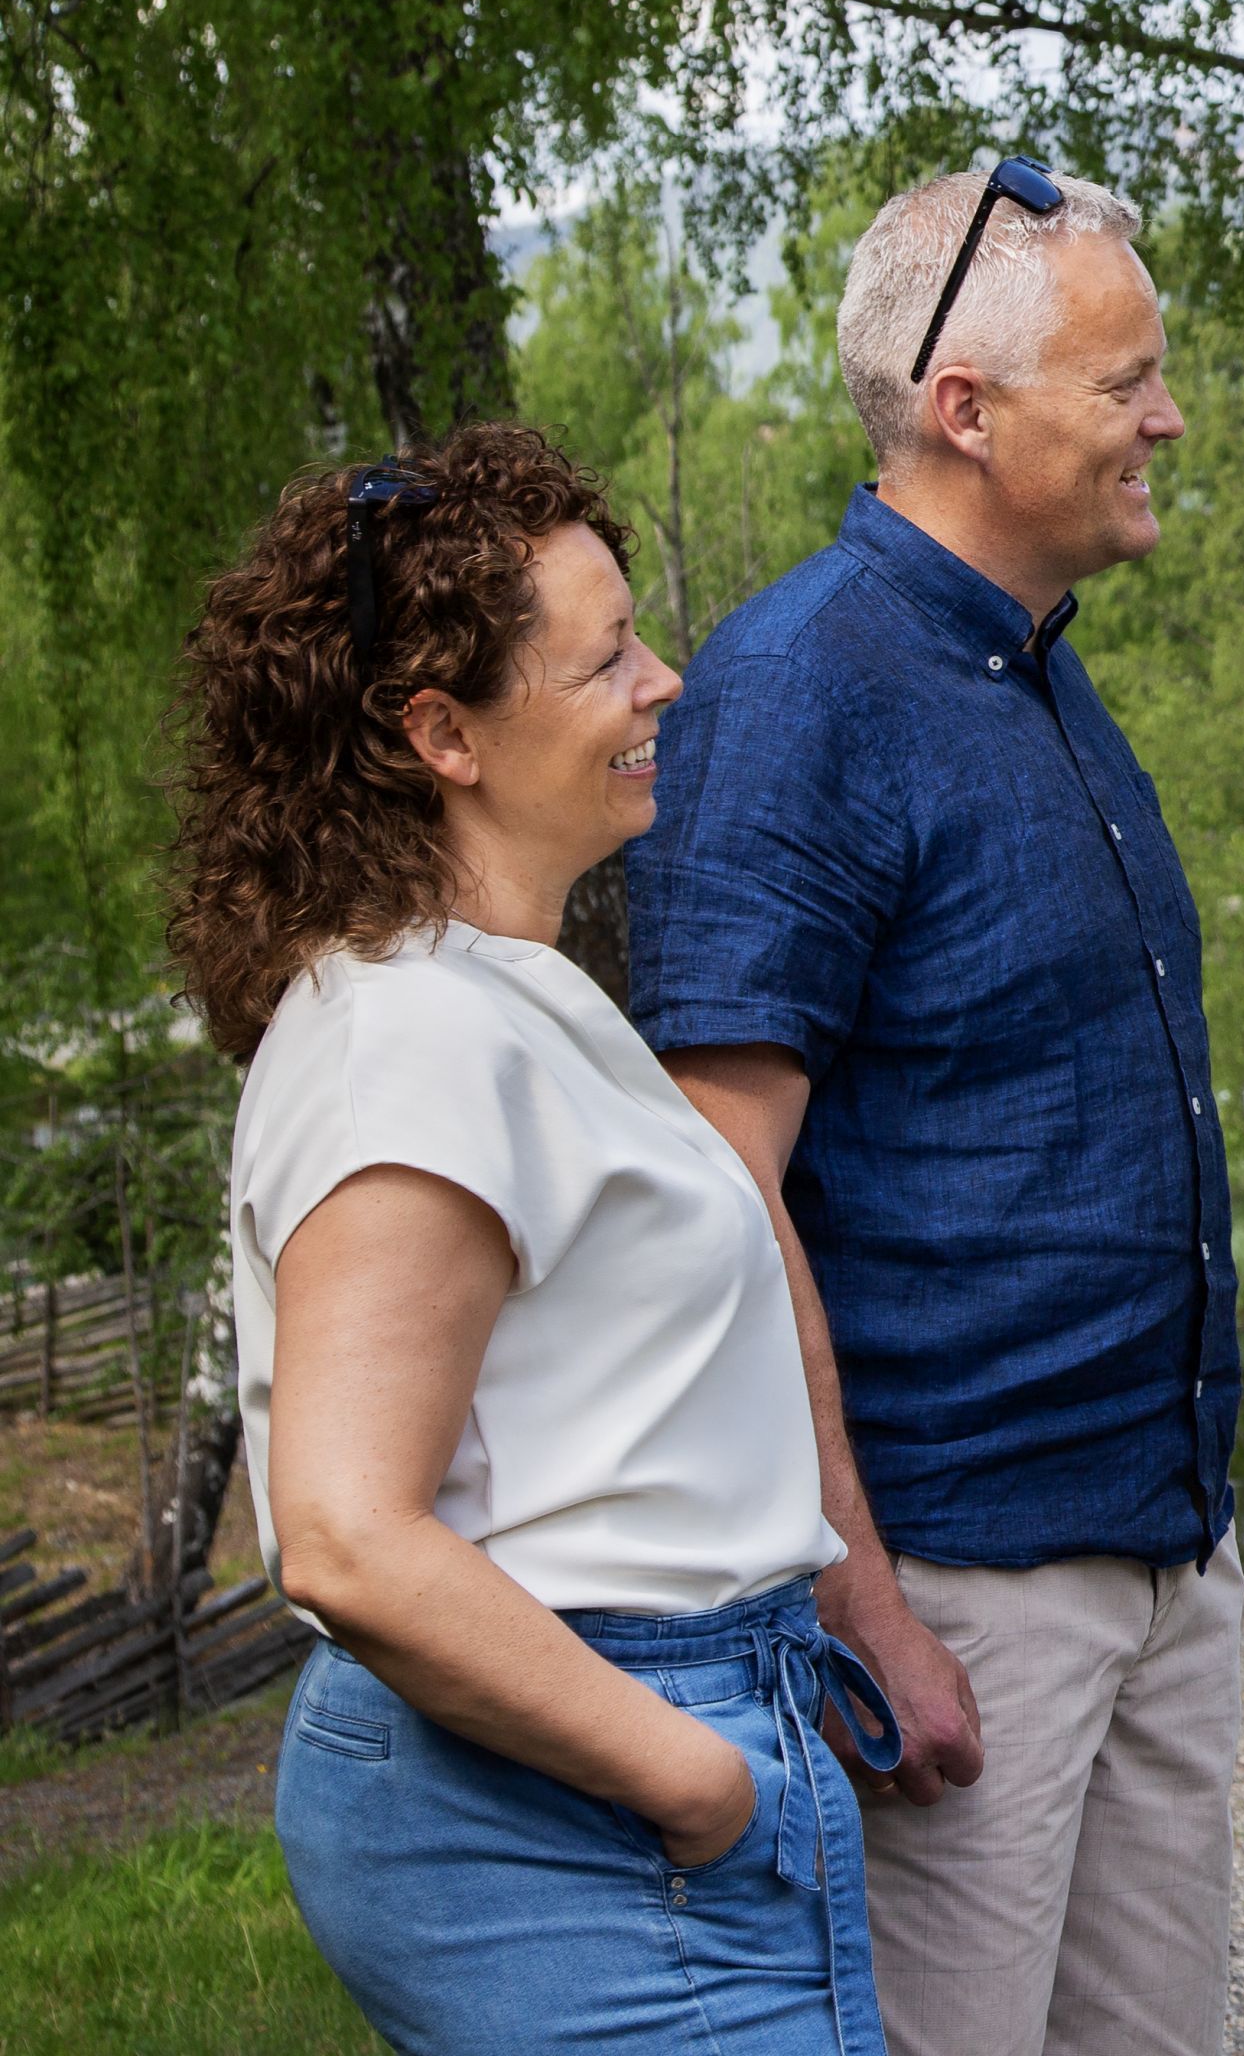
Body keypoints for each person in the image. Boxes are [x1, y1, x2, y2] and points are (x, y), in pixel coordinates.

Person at [182, 423, 897, 2056]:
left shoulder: (510, 992)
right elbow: (349, 1535)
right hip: (586, 1776)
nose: (666, 681)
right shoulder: (413, 1038)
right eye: (605, 660)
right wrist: (695, 1780)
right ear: (444, 732)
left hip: (639, 1737)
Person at [628, 161, 1242, 2056]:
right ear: (965, 412)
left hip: (1157, 1551)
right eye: (1126, 380)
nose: (1167, 418)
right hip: (961, 1586)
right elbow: (716, 1205)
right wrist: (864, 1606)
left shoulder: (1042, 678)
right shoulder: (799, 688)